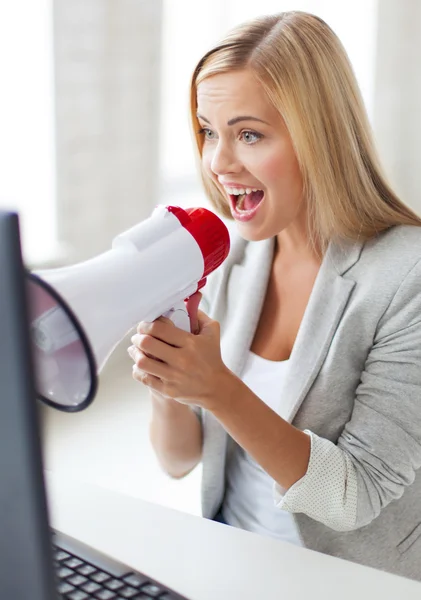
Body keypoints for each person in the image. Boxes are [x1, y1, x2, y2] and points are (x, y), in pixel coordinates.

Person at [127, 11, 421, 581]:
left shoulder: (406, 274)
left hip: (346, 581)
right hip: (230, 562)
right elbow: (178, 459)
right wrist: (167, 375)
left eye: (249, 134)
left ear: (321, 135)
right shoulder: (235, 257)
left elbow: (355, 496)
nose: (218, 162)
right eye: (209, 131)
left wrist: (217, 388)